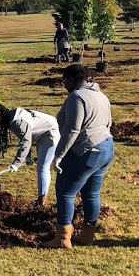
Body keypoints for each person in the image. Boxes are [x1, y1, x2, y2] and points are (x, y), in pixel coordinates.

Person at [48, 64, 114, 249]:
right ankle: (87, 236)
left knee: (65, 191)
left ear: (71, 79)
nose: (64, 85)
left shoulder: (76, 97)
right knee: (91, 193)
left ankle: (62, 238)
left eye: (64, 81)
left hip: (88, 150)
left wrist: (59, 155)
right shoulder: (101, 95)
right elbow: (108, 122)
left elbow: (73, 129)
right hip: (107, 147)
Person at [0, 102, 60, 208]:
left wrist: (16, 164)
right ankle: (41, 199)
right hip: (42, 133)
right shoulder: (10, 118)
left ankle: (41, 202)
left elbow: (26, 142)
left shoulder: (16, 122)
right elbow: (27, 136)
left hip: (50, 132)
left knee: (43, 167)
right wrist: (28, 156)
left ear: (2, 113)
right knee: (42, 165)